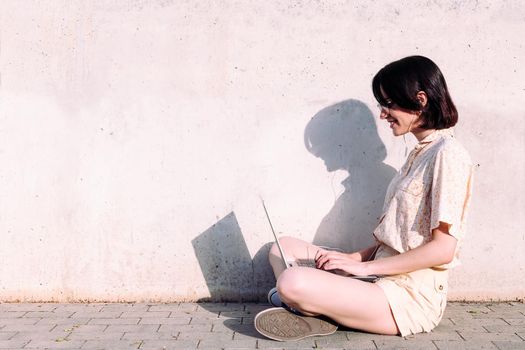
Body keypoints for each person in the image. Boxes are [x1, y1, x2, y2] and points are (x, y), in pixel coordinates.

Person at [254, 56, 474, 341]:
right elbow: (393, 240)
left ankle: (308, 305)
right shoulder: (417, 155)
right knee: (281, 247)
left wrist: (362, 268)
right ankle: (317, 309)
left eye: (388, 103)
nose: (383, 114)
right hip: (376, 277)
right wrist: (351, 258)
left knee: (292, 281)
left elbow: (443, 250)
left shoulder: (449, 154)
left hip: (407, 297)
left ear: (420, 100)